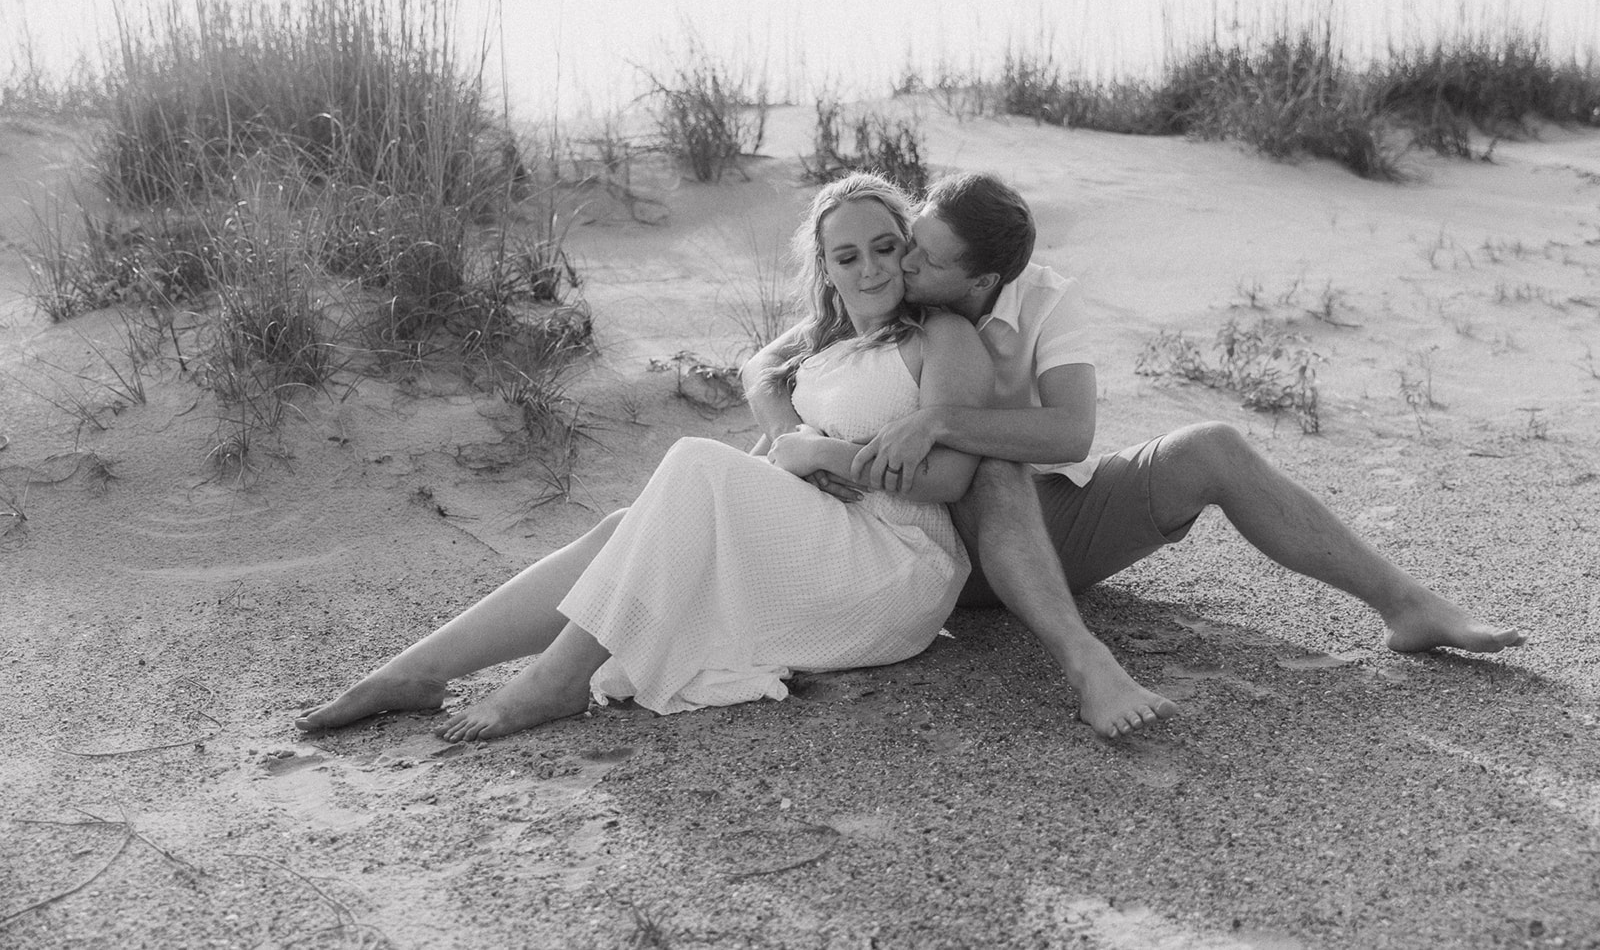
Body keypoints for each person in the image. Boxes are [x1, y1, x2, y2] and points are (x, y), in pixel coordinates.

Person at [743, 172, 1526, 740]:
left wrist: (940, 419)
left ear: (979, 279)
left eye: (916, 257)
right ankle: (1087, 666)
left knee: (1208, 445)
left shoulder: (1042, 298)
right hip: (935, 533)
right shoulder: (871, 298)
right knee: (995, 467)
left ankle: (1408, 605)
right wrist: (798, 441)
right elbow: (765, 366)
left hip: (1051, 519)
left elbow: (1071, 435)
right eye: (901, 246)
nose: (897, 266)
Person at [296, 173, 993, 741]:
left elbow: (952, 477)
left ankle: (560, 679)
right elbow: (760, 374)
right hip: (821, 541)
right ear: (827, 269)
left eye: (884, 246)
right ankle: (418, 670)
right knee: (619, 528)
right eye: (848, 256)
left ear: (907, 246)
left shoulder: (941, 337)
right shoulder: (823, 341)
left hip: (896, 563)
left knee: (695, 461)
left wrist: (816, 448)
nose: (870, 267)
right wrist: (787, 441)